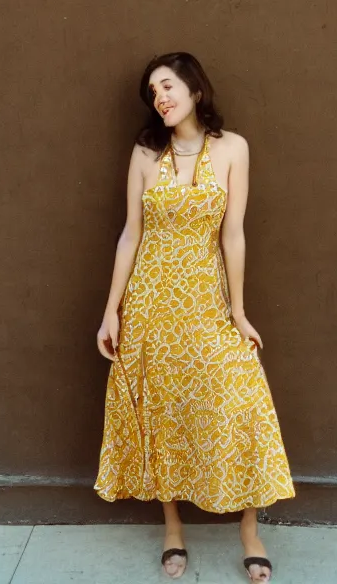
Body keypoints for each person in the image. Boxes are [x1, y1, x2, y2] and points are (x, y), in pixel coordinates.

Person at [94, 52, 295, 582]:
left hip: (206, 301)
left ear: (195, 89)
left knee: (243, 398)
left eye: (167, 86)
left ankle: (250, 531)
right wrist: (110, 311)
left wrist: (239, 312)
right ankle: (173, 529)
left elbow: (233, 233)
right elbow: (130, 235)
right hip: (151, 301)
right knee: (162, 411)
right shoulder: (144, 152)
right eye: (152, 92)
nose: (159, 97)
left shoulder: (233, 148)